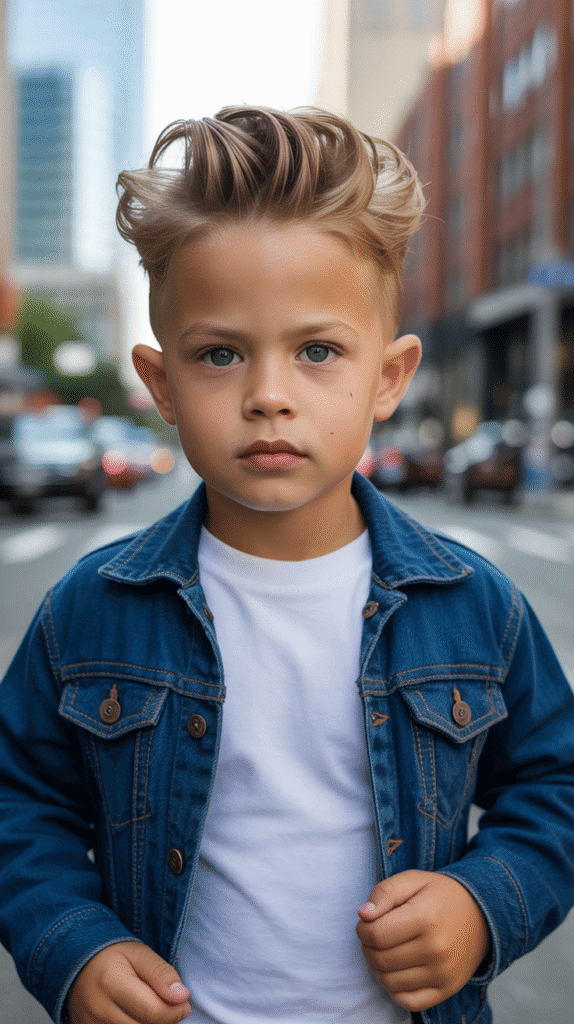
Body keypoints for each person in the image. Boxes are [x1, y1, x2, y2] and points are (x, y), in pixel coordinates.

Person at [0, 106, 573, 1024]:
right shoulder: (89, 609)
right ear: (161, 386)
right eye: (220, 354)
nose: (270, 396)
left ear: (388, 378)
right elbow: (18, 799)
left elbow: (557, 785)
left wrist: (482, 901)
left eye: (317, 352)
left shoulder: (478, 606)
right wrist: (73, 941)